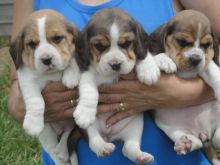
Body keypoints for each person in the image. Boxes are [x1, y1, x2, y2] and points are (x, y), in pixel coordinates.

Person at [8, 0, 220, 164]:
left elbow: (211, 49)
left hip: (176, 157)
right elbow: (18, 86)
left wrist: (182, 93)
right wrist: (34, 105)